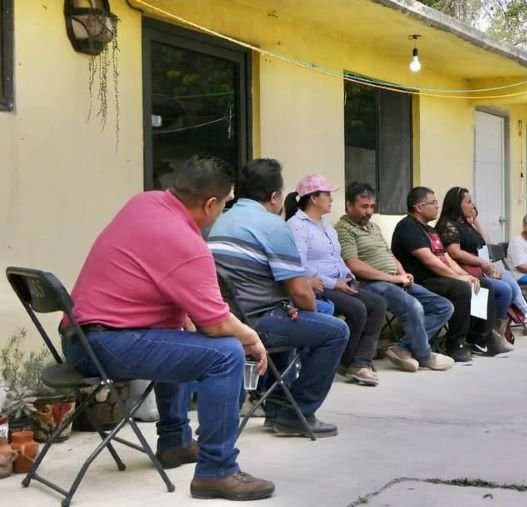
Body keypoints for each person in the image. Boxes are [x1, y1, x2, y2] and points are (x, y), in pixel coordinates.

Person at [65, 155, 275, 501]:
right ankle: (217, 471)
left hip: (80, 337)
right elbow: (218, 323)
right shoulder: (187, 243)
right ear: (210, 204)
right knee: (225, 355)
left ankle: (175, 442)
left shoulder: (144, 202)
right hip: (105, 344)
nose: (222, 212)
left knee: (179, 333)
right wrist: (252, 338)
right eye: (224, 205)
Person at [208, 158, 350, 437]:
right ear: (274, 197)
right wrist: (309, 311)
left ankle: (276, 408)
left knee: (291, 316)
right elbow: (300, 292)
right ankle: (297, 412)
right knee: (334, 330)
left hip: (224, 319)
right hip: (255, 322)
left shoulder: (219, 221)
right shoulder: (273, 226)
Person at [335, 182, 455, 373]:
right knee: (413, 306)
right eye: (364, 206)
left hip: (394, 280)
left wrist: (401, 273)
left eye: (372, 207)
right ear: (349, 206)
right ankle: (424, 355)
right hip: (370, 285)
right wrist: (392, 279)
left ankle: (403, 347)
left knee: (443, 306)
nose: (369, 211)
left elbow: (389, 255)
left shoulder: (373, 227)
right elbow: (353, 265)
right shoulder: (343, 229)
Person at [285, 174, 387, 387]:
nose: (331, 199)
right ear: (313, 198)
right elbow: (300, 265)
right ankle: (346, 360)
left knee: (377, 304)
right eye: (327, 195)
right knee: (357, 309)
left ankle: (361, 361)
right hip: (318, 285)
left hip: (339, 282)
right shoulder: (297, 225)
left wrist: (347, 274)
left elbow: (336, 256)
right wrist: (333, 283)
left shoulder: (326, 224)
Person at [391, 186, 493, 363]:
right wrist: (459, 278)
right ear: (419, 207)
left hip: (436, 278)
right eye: (433, 203)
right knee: (461, 288)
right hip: (420, 281)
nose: (437, 206)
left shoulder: (430, 230)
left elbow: (446, 257)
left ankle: (478, 338)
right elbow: (429, 261)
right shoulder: (408, 226)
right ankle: (454, 344)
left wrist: (466, 275)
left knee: (482, 284)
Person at [435, 186, 520, 355]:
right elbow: (454, 253)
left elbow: (485, 242)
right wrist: (482, 263)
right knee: (501, 289)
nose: (472, 205)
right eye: (468, 202)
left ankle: (493, 333)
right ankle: (480, 336)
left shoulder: (465, 223)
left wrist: (475, 221)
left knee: (506, 284)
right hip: (461, 271)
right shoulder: (448, 225)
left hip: (477, 269)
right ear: (457, 204)